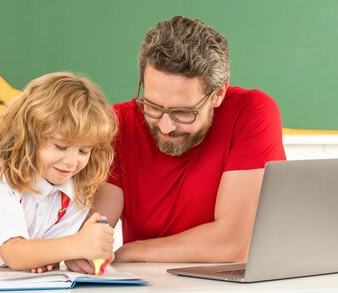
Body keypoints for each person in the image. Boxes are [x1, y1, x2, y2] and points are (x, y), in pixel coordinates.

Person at [66, 15, 286, 273]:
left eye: (183, 112)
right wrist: (83, 248)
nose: (166, 126)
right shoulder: (120, 124)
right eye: (153, 106)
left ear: (218, 94)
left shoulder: (251, 112)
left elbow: (233, 243)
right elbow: (94, 228)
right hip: (149, 284)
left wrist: (130, 251)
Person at [0, 72, 118, 272]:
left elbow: (48, 251)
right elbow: (14, 253)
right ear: (30, 136)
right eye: (60, 146)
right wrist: (77, 244)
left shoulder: (76, 189)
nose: (71, 162)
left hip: (5, 277)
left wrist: (81, 254)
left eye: (84, 151)